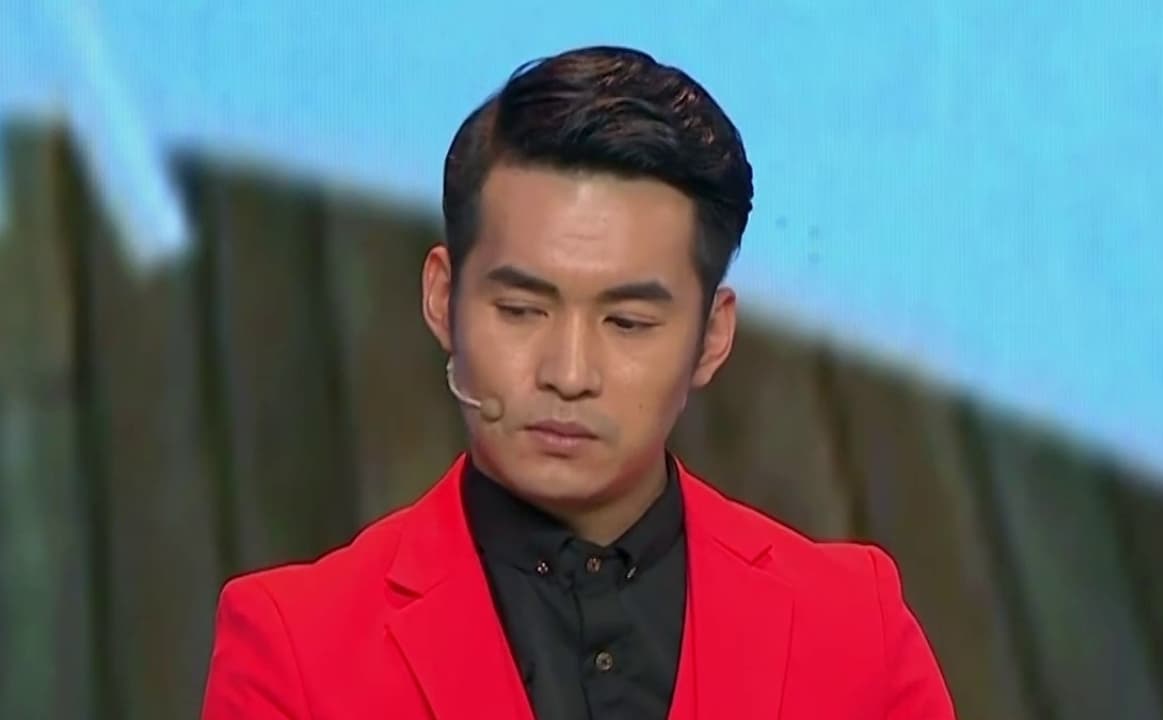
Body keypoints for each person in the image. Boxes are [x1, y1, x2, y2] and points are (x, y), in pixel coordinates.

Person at [201, 45, 955, 719]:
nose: (567, 374)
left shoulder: (853, 628)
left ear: (711, 337)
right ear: (442, 299)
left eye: (627, 322)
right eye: (521, 309)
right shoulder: (298, 648)